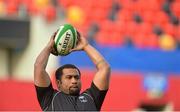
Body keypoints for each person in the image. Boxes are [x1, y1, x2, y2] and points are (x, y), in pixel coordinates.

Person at [34, 31, 111, 111]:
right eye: (69, 77)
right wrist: (48, 48)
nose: (74, 81)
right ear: (59, 83)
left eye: (77, 77)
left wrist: (86, 46)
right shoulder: (50, 99)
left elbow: (104, 68)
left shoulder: (92, 98)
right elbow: (39, 67)